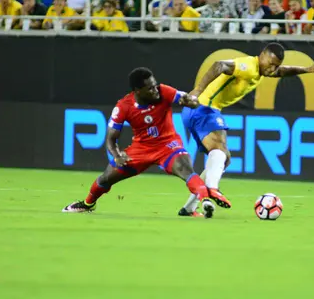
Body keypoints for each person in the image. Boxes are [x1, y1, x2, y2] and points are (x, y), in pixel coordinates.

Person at [179, 44, 314, 215]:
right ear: (262, 55)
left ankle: (190, 207)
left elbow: (283, 71)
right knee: (219, 149)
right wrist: (197, 90)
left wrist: (308, 69)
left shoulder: (263, 70)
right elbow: (219, 65)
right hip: (203, 107)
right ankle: (212, 188)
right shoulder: (248, 66)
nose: (273, 69)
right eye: (271, 63)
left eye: (276, 65)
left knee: (223, 158)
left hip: (198, 110)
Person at [62, 67, 217, 218]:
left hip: (168, 144)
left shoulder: (164, 91)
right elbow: (110, 138)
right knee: (106, 178)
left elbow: (186, 99)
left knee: (185, 169)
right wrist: (117, 155)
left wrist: (191, 101)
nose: (155, 90)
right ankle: (88, 204)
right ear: (137, 91)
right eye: (150, 89)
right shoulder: (124, 106)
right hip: (141, 149)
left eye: (155, 85)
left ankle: (205, 200)